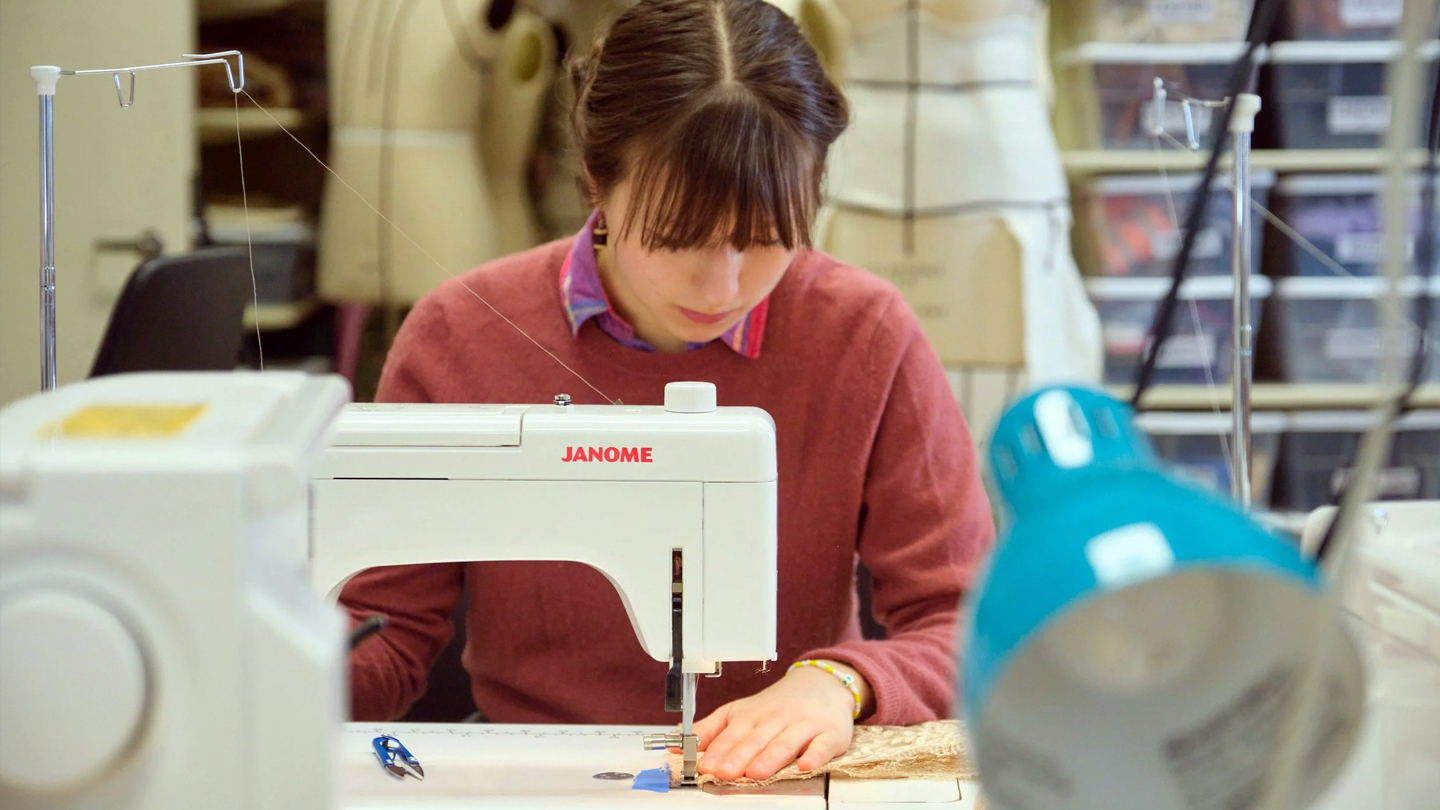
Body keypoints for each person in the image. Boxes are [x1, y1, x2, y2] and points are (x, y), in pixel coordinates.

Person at [341, 0, 995, 783]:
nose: (722, 285)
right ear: (596, 182)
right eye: (678, 235)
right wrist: (270, 672)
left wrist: (838, 683)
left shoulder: (865, 335)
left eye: (765, 237)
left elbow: (967, 623)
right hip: (536, 770)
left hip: (781, 772)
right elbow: (388, 629)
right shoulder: (459, 337)